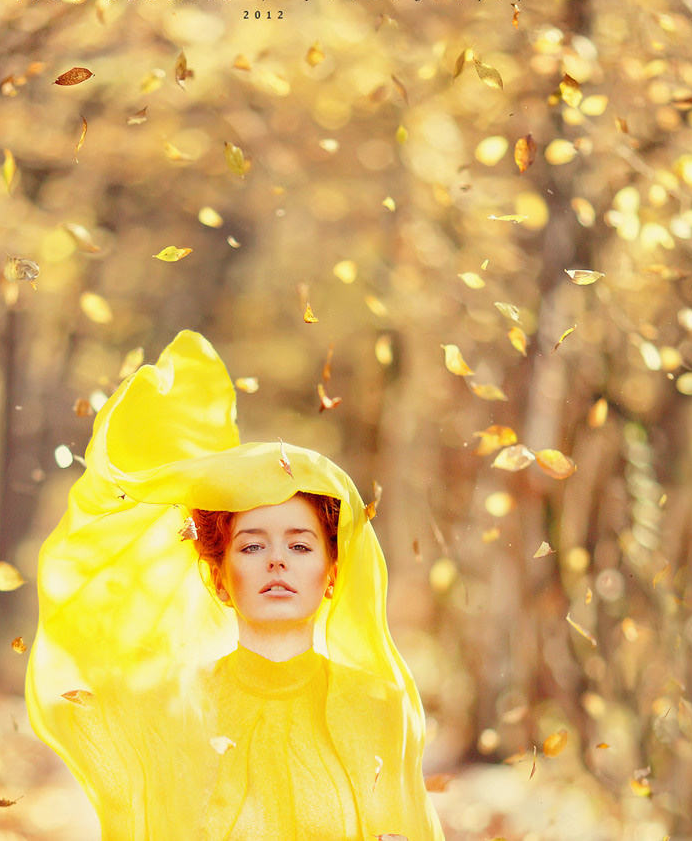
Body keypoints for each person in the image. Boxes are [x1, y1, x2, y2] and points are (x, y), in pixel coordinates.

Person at [26, 331, 444, 841]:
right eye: (250, 547)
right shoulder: (174, 709)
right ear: (219, 579)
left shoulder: (377, 705)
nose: (275, 562)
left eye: (299, 546)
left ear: (332, 574)